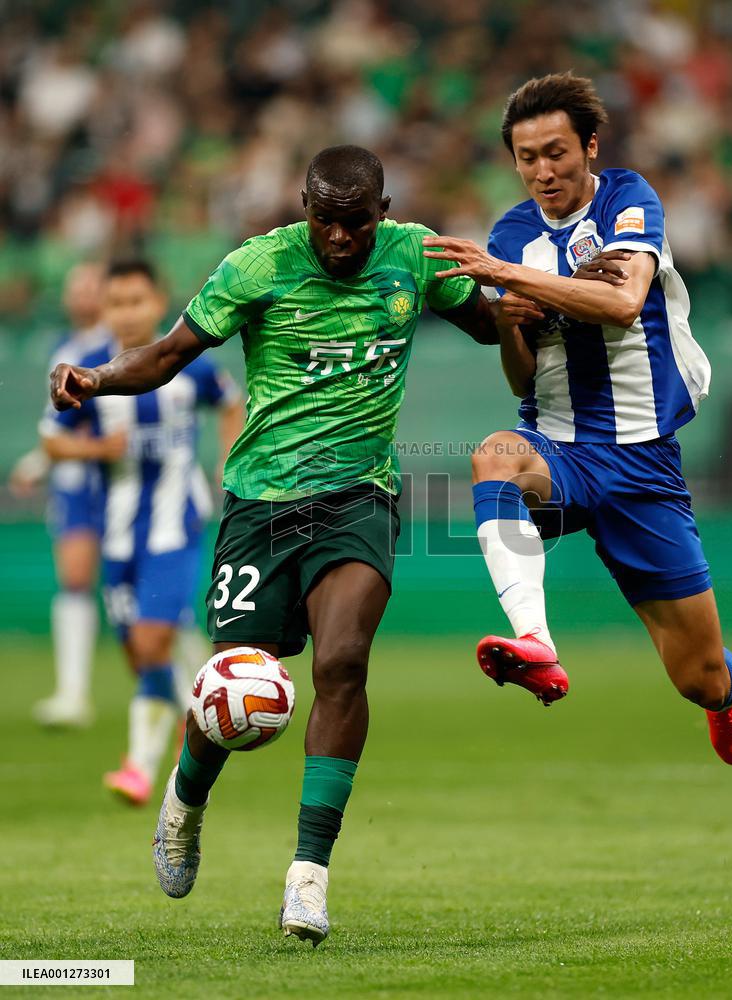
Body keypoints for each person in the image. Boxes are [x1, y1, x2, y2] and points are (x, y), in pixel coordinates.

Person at [48, 145, 500, 945]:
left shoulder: (416, 258)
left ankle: (307, 879)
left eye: (355, 222)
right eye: (323, 220)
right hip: (260, 504)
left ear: (383, 211)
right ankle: (184, 803)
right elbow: (170, 354)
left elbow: (493, 325)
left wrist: (552, 305)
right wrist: (97, 381)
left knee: (340, 664)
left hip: (359, 496)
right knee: (234, 690)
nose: (337, 238)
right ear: (303, 206)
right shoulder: (258, 265)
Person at [423, 72, 732, 767]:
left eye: (555, 152)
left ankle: (727, 695)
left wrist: (506, 279)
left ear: (589, 147)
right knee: (492, 456)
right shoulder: (509, 235)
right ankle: (536, 644)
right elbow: (519, 373)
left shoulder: (628, 199)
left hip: (641, 460)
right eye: (526, 157)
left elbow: (625, 302)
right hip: (559, 446)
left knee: (698, 677)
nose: (542, 171)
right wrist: (511, 324)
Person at [41, 259, 243, 805]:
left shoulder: (189, 366)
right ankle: (193, 718)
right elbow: (52, 440)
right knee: (139, 655)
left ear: (159, 304)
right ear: (102, 309)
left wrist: (227, 462)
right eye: (116, 303)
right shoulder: (87, 367)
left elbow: (231, 403)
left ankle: (139, 768)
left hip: (174, 526)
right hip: (118, 533)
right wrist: (93, 448)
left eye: (136, 301)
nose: (126, 313)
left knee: (153, 642)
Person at [10, 263, 109, 727]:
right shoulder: (64, 349)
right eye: (75, 287)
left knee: (143, 591)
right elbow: (57, 426)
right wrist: (38, 461)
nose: (81, 295)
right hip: (75, 483)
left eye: (90, 285)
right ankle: (72, 692)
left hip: (121, 479)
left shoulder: (118, 347)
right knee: (75, 579)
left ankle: (188, 683)